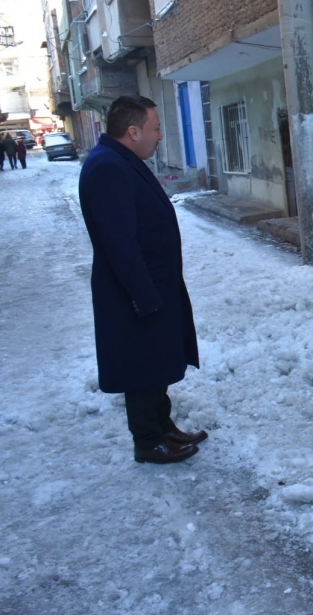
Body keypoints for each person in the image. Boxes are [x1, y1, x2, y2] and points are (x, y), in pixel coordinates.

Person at [79, 95, 206, 463]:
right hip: (135, 292)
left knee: (158, 361)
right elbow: (119, 243)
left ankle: (163, 427)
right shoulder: (108, 168)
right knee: (142, 367)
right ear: (133, 131)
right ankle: (148, 441)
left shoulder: (122, 160)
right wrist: (143, 295)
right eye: (155, 128)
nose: (160, 136)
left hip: (153, 286)